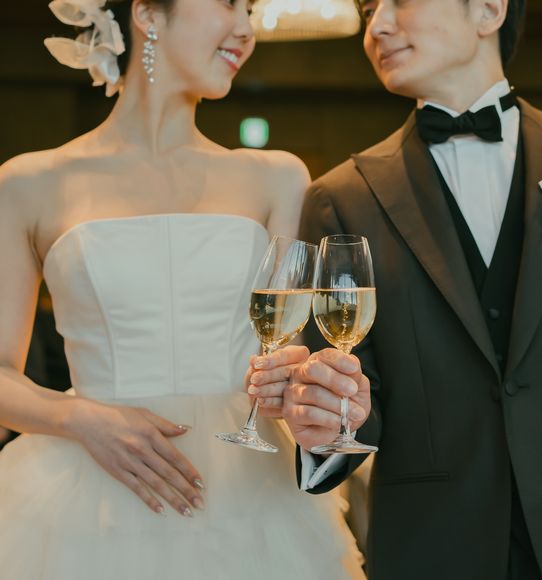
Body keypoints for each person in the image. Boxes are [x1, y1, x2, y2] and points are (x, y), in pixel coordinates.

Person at [0, 1, 364, 578]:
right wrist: (80, 417)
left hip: (250, 497)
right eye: (228, 3)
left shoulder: (278, 177)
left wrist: (299, 385)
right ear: (148, 13)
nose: (245, 29)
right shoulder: (29, 183)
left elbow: (284, 352)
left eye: (251, 10)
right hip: (88, 498)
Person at [247, 0, 542, 578]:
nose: (376, 26)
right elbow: (349, 390)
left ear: (488, 10)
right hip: (434, 543)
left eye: (398, 1)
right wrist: (326, 417)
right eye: (368, 8)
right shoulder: (342, 198)